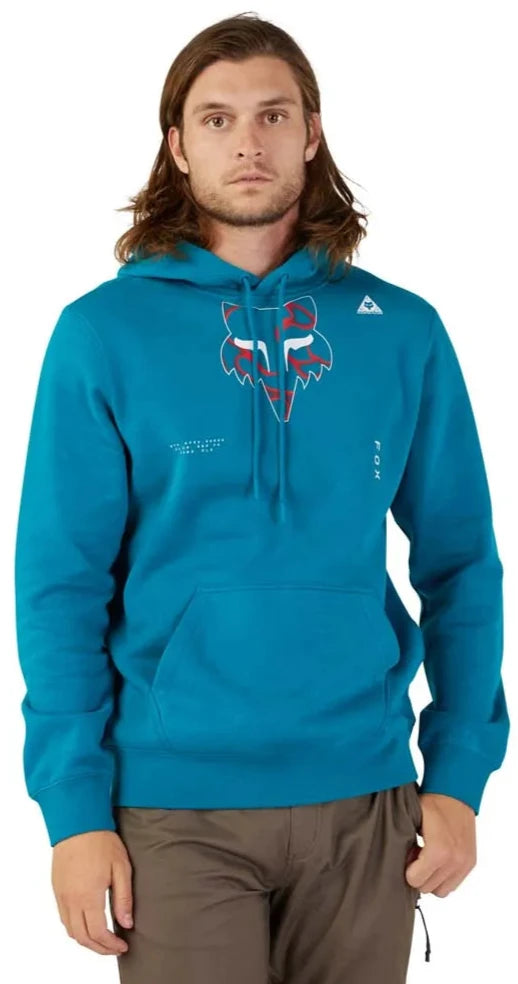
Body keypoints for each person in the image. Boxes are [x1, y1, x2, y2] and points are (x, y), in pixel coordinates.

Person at [14, 11, 509, 984]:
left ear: (312, 134)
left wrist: (457, 775)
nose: (248, 142)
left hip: (365, 799)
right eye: (217, 119)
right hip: (172, 808)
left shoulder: (401, 331)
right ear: (177, 145)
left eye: (273, 115)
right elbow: (59, 587)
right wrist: (73, 814)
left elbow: (461, 566)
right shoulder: (101, 335)